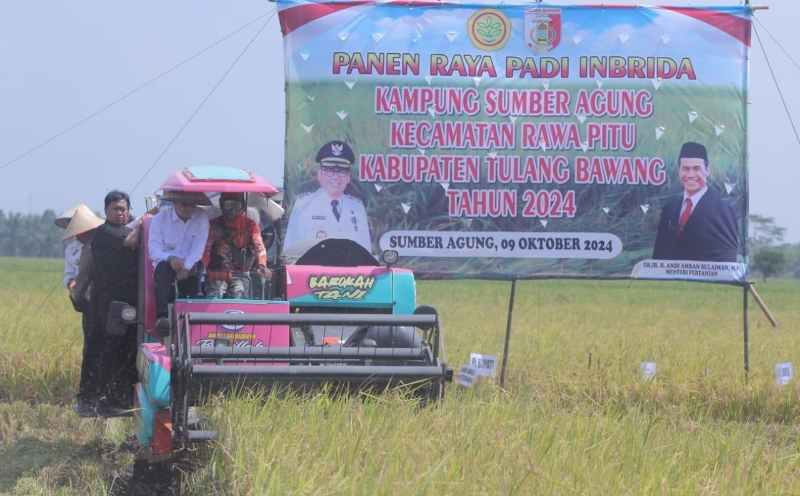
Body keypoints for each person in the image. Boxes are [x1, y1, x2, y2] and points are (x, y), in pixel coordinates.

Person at [89, 190, 139, 416]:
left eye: (124, 209)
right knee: (111, 350)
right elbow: (130, 241)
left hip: (129, 303)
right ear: (107, 210)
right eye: (116, 209)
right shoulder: (104, 234)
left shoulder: (127, 230)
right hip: (109, 304)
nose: (121, 213)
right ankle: (105, 400)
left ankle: (126, 400)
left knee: (130, 349)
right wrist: (145, 223)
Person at [652, 142, 739, 262]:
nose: (690, 175)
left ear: (707, 170)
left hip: (705, 278)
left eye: (696, 168)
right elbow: (659, 254)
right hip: (670, 279)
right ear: (679, 170)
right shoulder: (670, 207)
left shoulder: (722, 208)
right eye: (685, 169)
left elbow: (726, 255)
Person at [284, 140, 371, 254]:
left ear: (348, 177)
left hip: (349, 271)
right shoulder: (303, 205)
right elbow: (290, 251)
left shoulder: (357, 207)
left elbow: (366, 252)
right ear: (319, 175)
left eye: (341, 171)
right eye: (329, 171)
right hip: (313, 271)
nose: (335, 177)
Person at [61, 205, 104, 416]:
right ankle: (89, 395)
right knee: (92, 348)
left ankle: (102, 394)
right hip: (88, 302)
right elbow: (70, 276)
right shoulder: (73, 249)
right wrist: (73, 286)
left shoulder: (104, 241)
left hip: (109, 301)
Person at [148, 190, 210, 327]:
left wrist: (186, 267)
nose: (188, 208)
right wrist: (170, 259)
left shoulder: (202, 217)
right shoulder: (159, 219)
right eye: (184, 204)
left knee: (199, 268)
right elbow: (154, 251)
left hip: (191, 265)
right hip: (166, 266)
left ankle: (196, 319)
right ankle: (162, 318)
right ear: (174, 203)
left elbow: (198, 248)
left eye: (191, 204)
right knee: (162, 269)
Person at [202, 192, 270, 298]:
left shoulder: (250, 225)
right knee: (215, 295)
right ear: (221, 205)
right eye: (228, 205)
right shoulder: (213, 225)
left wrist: (262, 265)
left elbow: (259, 246)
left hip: (240, 273)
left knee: (239, 293)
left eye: (236, 205)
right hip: (216, 273)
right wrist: (203, 268)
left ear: (242, 206)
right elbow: (206, 248)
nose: (232, 210)